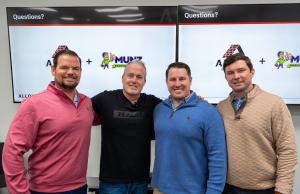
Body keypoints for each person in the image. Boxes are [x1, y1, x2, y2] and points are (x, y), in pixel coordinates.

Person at [2, 49, 96, 194]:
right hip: (44, 190)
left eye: (75, 68)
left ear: (81, 72)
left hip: (79, 187)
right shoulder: (34, 104)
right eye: (64, 67)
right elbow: (11, 152)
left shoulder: (87, 103)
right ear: (53, 70)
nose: (71, 72)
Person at [217, 53, 297, 194]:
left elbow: (287, 150)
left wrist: (283, 189)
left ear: (252, 72)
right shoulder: (221, 107)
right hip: (227, 188)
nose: (236, 76)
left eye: (241, 70)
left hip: (265, 189)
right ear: (225, 78)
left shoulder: (274, 104)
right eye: (230, 73)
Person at [151, 62, 227, 194]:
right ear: (166, 82)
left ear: (190, 80)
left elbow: (217, 157)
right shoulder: (159, 109)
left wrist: (214, 191)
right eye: (172, 79)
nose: (177, 83)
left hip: (193, 190)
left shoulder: (208, 112)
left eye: (182, 79)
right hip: (160, 189)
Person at [92, 59, 161, 194]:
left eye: (139, 77)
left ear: (144, 82)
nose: (134, 80)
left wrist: (195, 98)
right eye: (130, 75)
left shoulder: (152, 103)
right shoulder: (105, 99)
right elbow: (78, 108)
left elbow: (176, 107)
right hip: (111, 182)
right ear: (123, 78)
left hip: (140, 181)